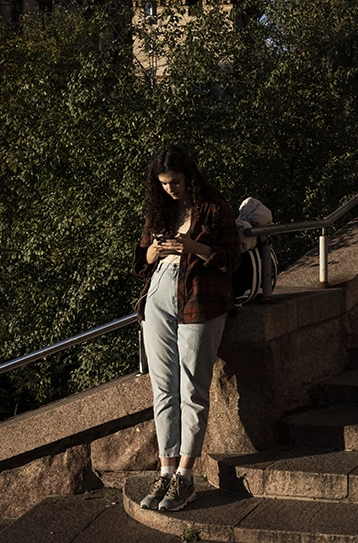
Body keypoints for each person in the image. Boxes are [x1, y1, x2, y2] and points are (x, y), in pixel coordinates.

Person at [132, 144, 240, 513]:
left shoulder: (213, 207)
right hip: (159, 293)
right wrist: (155, 251)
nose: (169, 189)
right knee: (163, 389)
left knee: (192, 389)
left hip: (200, 298)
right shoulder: (160, 210)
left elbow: (231, 259)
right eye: (163, 183)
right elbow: (140, 259)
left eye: (175, 182)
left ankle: (185, 477)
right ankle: (164, 471)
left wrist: (194, 246)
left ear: (188, 175)